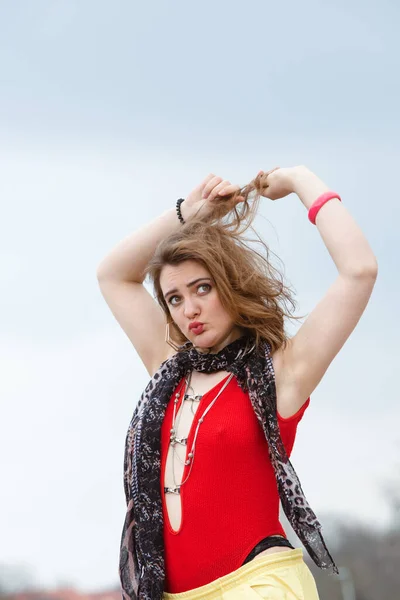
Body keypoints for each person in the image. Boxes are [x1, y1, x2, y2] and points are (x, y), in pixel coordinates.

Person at [96, 165, 378, 600]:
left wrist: (302, 180)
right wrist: (188, 213)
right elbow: (112, 274)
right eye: (174, 298)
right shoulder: (169, 367)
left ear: (230, 285)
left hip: (258, 586)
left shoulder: (282, 372)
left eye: (202, 288)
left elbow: (359, 270)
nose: (189, 308)